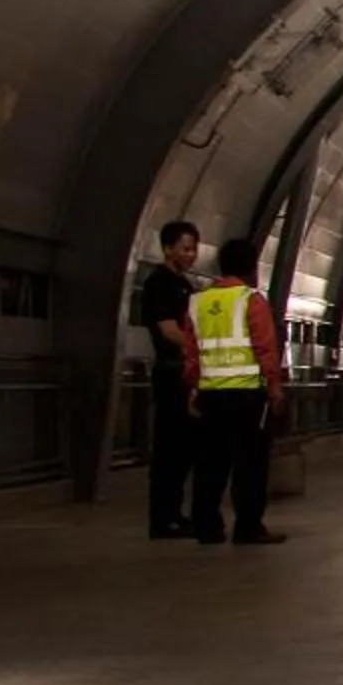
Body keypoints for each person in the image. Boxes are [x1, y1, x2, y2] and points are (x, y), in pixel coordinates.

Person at [184, 236, 286, 546]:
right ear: (252, 267)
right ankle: (248, 526)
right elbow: (265, 348)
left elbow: (191, 353)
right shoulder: (251, 300)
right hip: (247, 395)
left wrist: (193, 389)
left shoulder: (197, 303)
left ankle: (206, 526)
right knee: (250, 463)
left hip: (211, 394)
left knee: (210, 462)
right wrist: (275, 388)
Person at [135, 219, 201, 539]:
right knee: (168, 448)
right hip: (170, 371)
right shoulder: (159, 283)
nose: (191, 255)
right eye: (185, 248)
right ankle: (162, 519)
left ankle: (175, 513)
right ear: (167, 248)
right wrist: (200, 345)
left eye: (194, 249)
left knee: (183, 448)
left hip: (185, 372)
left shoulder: (185, 286)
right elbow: (168, 330)